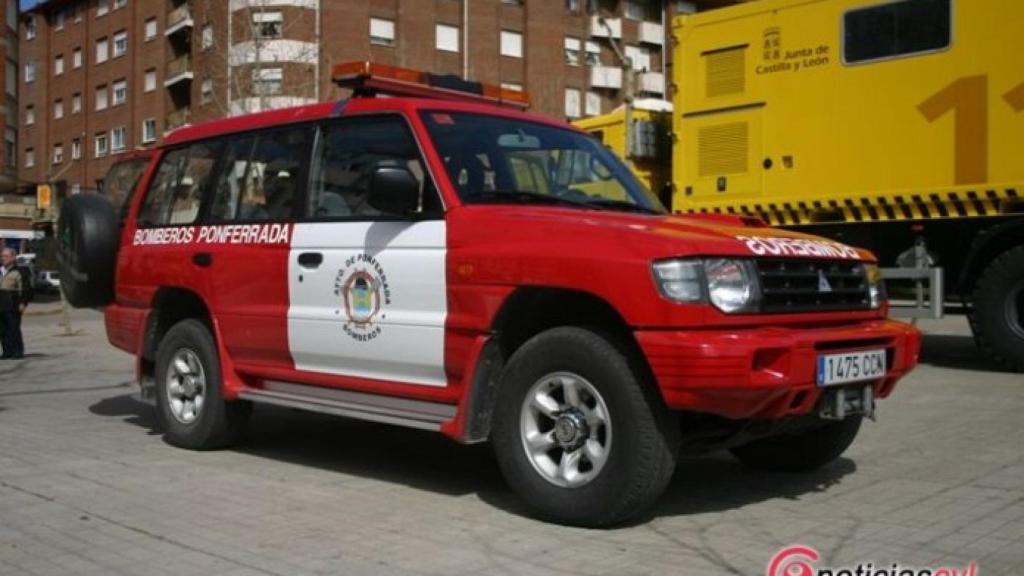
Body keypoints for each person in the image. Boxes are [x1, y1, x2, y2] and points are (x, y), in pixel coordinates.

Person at [0, 247, 29, 359]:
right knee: (2, 330)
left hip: (12, 304)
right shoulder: (1, 270)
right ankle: (7, 351)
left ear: (13, 257)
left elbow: (25, 289)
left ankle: (18, 351)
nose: (3, 258)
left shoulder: (19, 271)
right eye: (2, 256)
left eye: (6, 256)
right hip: (0, 304)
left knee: (13, 328)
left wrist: (23, 303)